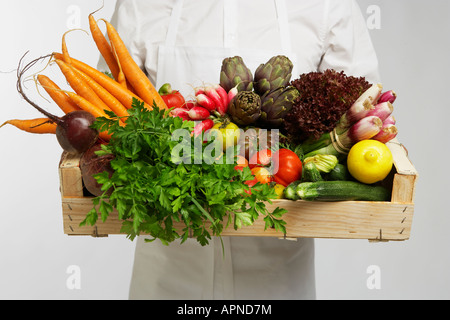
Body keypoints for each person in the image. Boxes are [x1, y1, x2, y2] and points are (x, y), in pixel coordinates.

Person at [104, 0, 380, 300]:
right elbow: (107, 113)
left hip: (279, 279)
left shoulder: (327, 6)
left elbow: (362, 114)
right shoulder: (139, 5)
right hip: (167, 274)